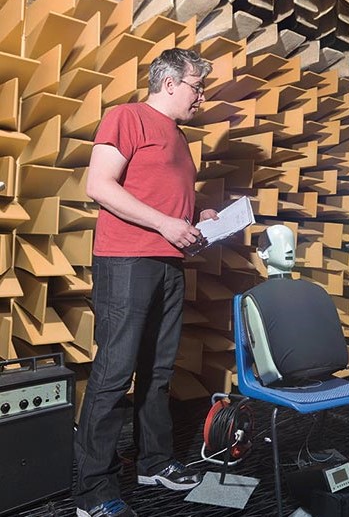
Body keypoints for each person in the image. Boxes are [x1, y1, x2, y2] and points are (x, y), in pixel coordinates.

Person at [74, 48, 219, 517]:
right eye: (198, 85)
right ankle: (93, 492)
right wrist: (165, 224)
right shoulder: (127, 117)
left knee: (158, 372)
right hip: (126, 262)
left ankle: (154, 462)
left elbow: (168, 199)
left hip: (168, 264)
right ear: (170, 82)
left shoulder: (178, 137)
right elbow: (99, 185)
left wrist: (201, 215)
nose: (202, 96)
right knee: (114, 374)